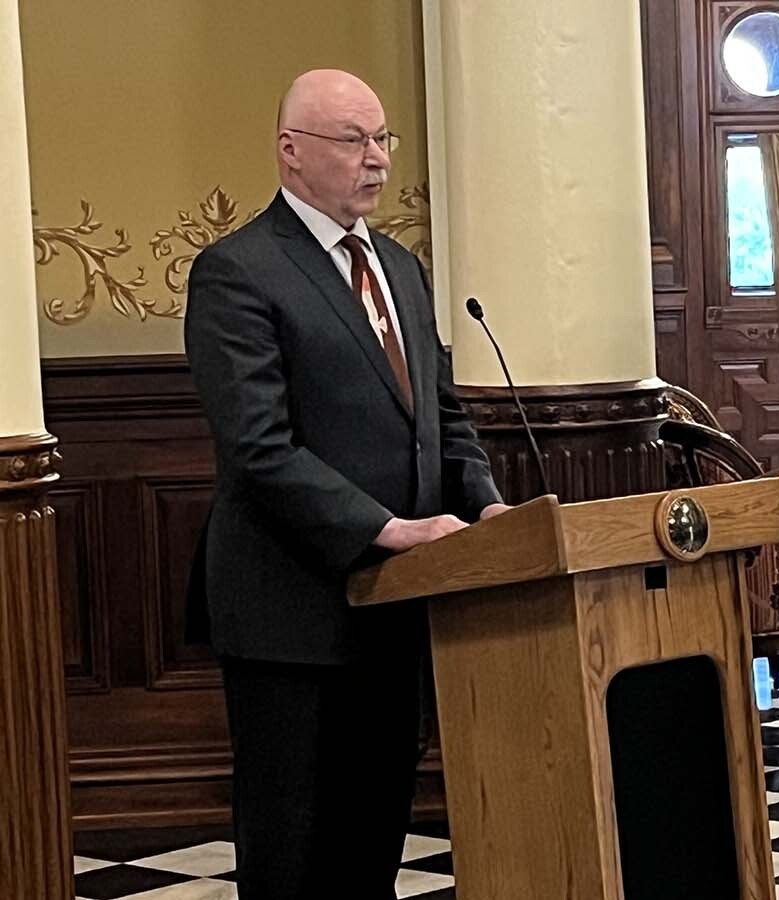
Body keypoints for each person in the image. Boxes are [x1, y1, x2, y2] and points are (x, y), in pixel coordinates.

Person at [183, 69, 510, 899]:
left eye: (383, 140)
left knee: (372, 842)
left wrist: (487, 504)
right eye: (353, 141)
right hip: (291, 611)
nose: (376, 160)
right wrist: (387, 529)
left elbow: (440, 414)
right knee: (292, 849)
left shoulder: (400, 266)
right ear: (292, 153)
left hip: (397, 608)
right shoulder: (238, 271)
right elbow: (258, 448)